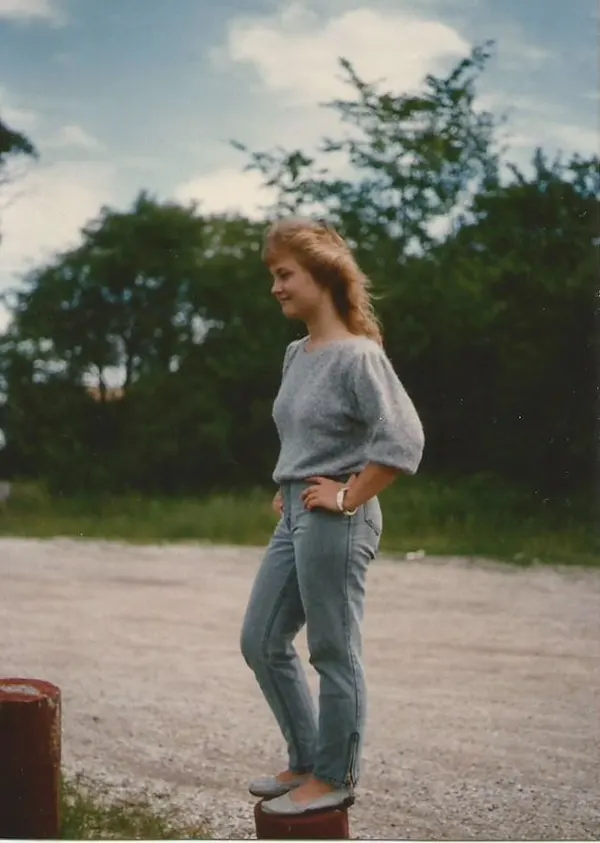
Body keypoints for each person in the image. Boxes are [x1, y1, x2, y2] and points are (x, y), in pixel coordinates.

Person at [240, 217, 425, 816]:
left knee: (332, 650)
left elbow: (402, 440)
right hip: (297, 510)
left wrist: (348, 495)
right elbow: (305, 434)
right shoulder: (298, 353)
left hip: (338, 519)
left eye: (285, 274)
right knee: (261, 640)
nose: (276, 287)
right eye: (274, 276)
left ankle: (335, 776)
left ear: (321, 275)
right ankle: (305, 761)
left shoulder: (358, 356)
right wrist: (291, 484)